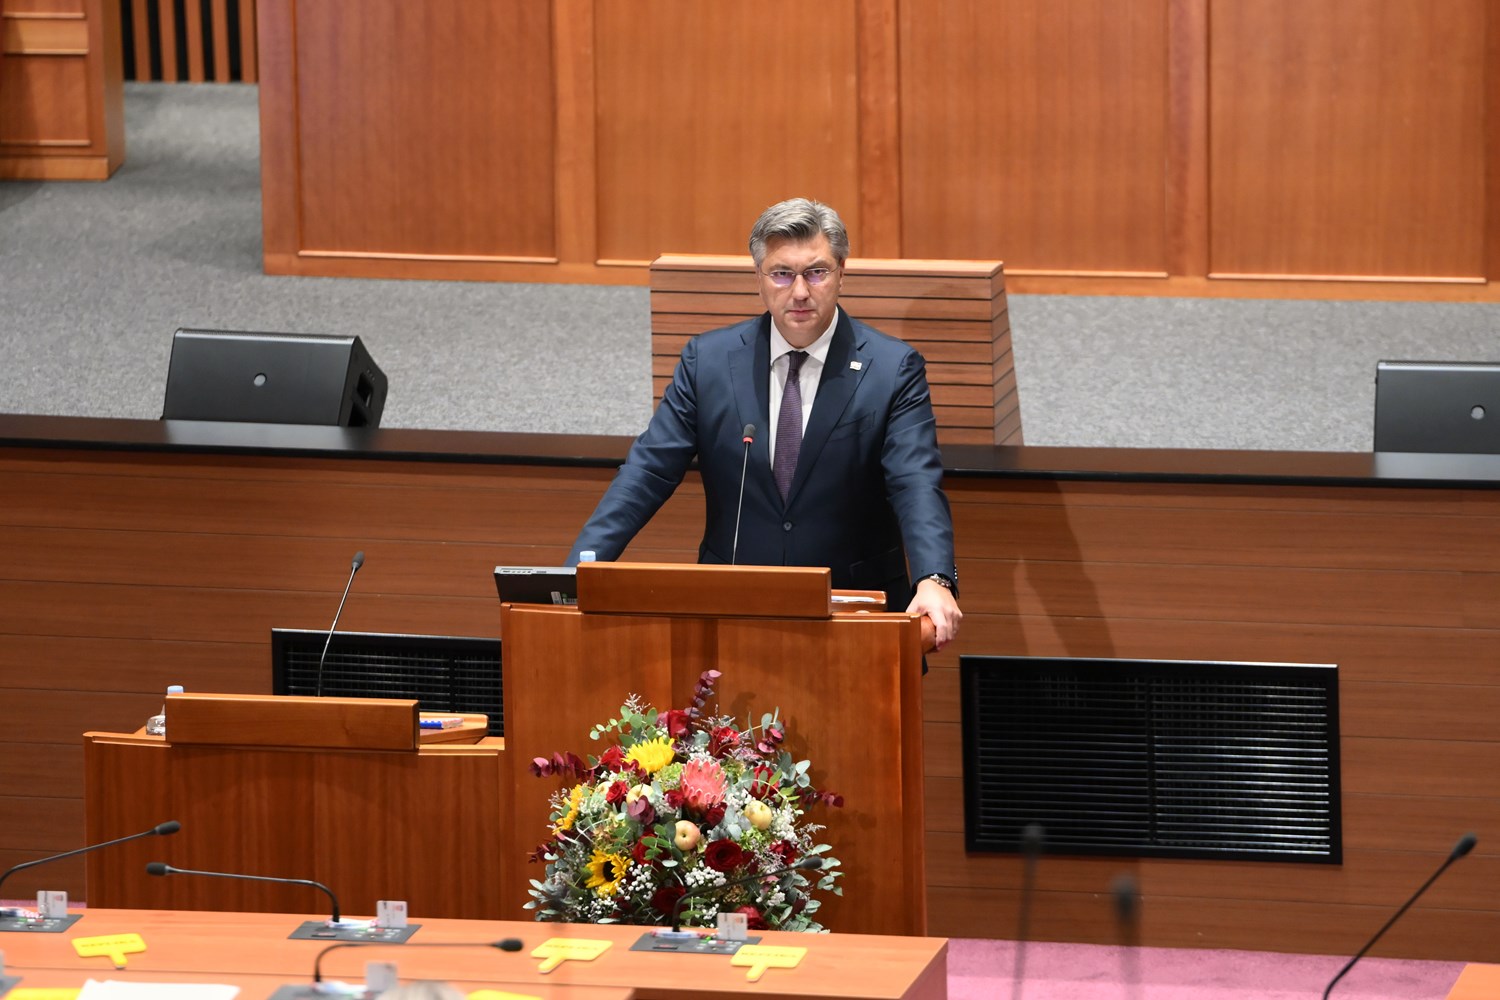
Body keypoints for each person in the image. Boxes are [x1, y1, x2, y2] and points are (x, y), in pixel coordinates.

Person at [567, 198, 961, 648]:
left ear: (841, 272)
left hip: (854, 615)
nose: (800, 291)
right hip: (730, 612)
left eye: (816, 272)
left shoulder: (892, 369)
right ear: (758, 277)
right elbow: (648, 472)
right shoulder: (708, 362)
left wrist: (934, 578)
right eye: (782, 273)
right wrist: (579, 567)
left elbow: (915, 483)